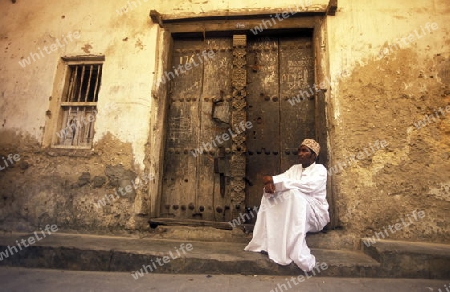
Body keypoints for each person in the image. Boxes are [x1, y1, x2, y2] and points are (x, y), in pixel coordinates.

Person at [244, 138, 330, 272]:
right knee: (271, 196)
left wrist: (275, 181)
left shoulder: (320, 170)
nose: (300, 154)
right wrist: (270, 184)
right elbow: (281, 178)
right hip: (297, 208)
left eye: (304, 151)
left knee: (295, 195)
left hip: (315, 214)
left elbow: (307, 186)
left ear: (313, 155)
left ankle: (292, 248)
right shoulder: (295, 169)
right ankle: (268, 242)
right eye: (299, 151)